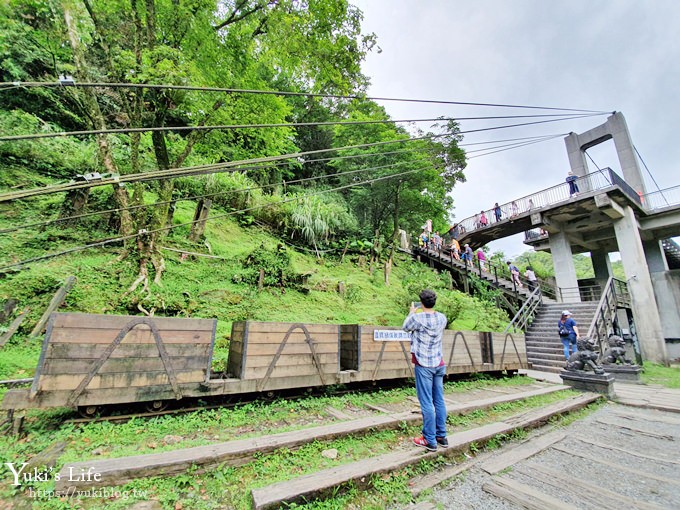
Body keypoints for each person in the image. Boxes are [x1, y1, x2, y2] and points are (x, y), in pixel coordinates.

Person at [403, 289, 448, 452]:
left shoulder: (417, 318)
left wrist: (411, 313)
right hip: (439, 362)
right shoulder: (442, 318)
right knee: (439, 400)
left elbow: (405, 327)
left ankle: (429, 439)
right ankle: (441, 436)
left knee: (426, 401)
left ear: (421, 303)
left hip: (424, 364)